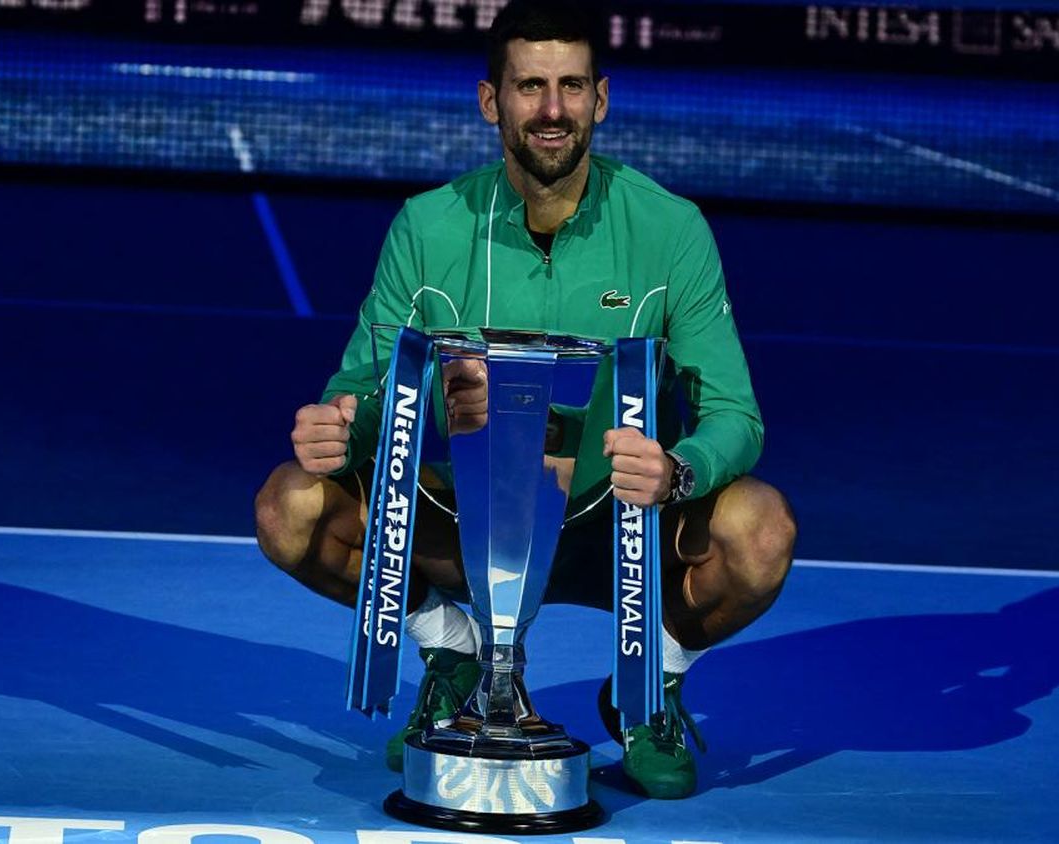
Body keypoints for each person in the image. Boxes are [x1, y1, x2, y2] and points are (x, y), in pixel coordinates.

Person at [254, 0, 796, 800]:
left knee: (761, 531)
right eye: (530, 86)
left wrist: (678, 471)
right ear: (491, 100)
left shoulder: (671, 230)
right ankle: (456, 653)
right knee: (289, 508)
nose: (552, 109)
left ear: (599, 100)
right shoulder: (427, 227)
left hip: (621, 525)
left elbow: (735, 417)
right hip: (468, 525)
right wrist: (337, 425)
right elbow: (366, 388)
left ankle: (650, 685)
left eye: (572, 85)